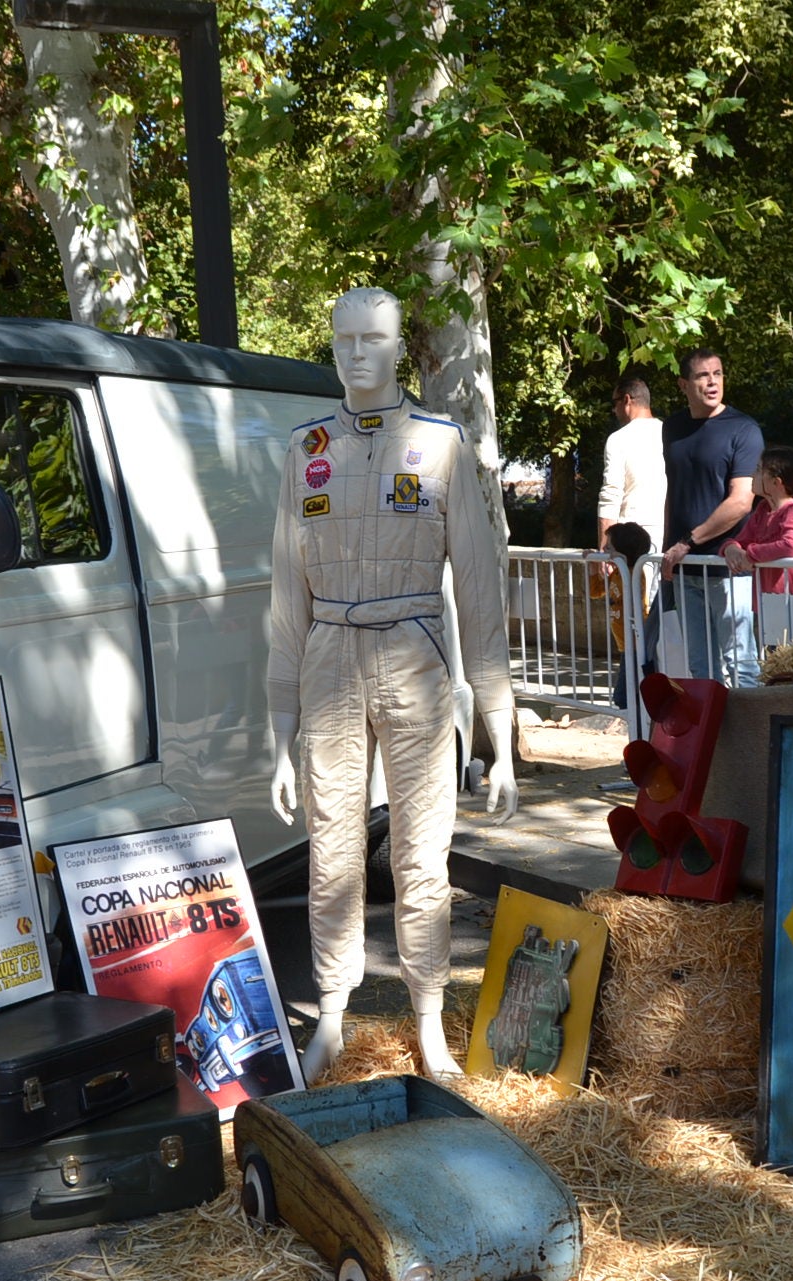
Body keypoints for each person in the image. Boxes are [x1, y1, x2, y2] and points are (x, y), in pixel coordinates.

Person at [266, 286, 518, 1082]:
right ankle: (334, 1015)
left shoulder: (440, 445)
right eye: (342, 338)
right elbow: (284, 601)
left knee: (421, 854)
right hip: (330, 653)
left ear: (400, 344)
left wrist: (499, 738)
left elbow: (479, 597)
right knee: (331, 849)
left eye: (372, 337)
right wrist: (279, 734)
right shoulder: (305, 448)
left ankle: (427, 1016)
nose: (355, 353)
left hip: (414, 656)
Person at [658, 348, 764, 686]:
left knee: (742, 665)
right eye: (703, 375)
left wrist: (687, 542)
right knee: (699, 669)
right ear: (684, 384)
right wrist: (668, 550)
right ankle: (715, 739)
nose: (713, 381)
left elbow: (742, 501)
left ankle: (751, 738)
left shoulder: (743, 428)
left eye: (717, 373)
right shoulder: (672, 428)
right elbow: (674, 493)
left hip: (727, 568)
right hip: (685, 569)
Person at [721, 444, 793, 643]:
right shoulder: (763, 510)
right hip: (772, 604)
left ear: (775, 482)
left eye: (758, 470)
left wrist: (750, 554)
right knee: (776, 668)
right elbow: (741, 540)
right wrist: (730, 549)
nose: (752, 475)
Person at [597, 377, 667, 555]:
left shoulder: (619, 439)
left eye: (615, 403)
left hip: (630, 541)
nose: (614, 410)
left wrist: (605, 548)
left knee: (633, 584)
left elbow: (610, 495)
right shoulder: (670, 433)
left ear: (626, 400)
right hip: (670, 536)